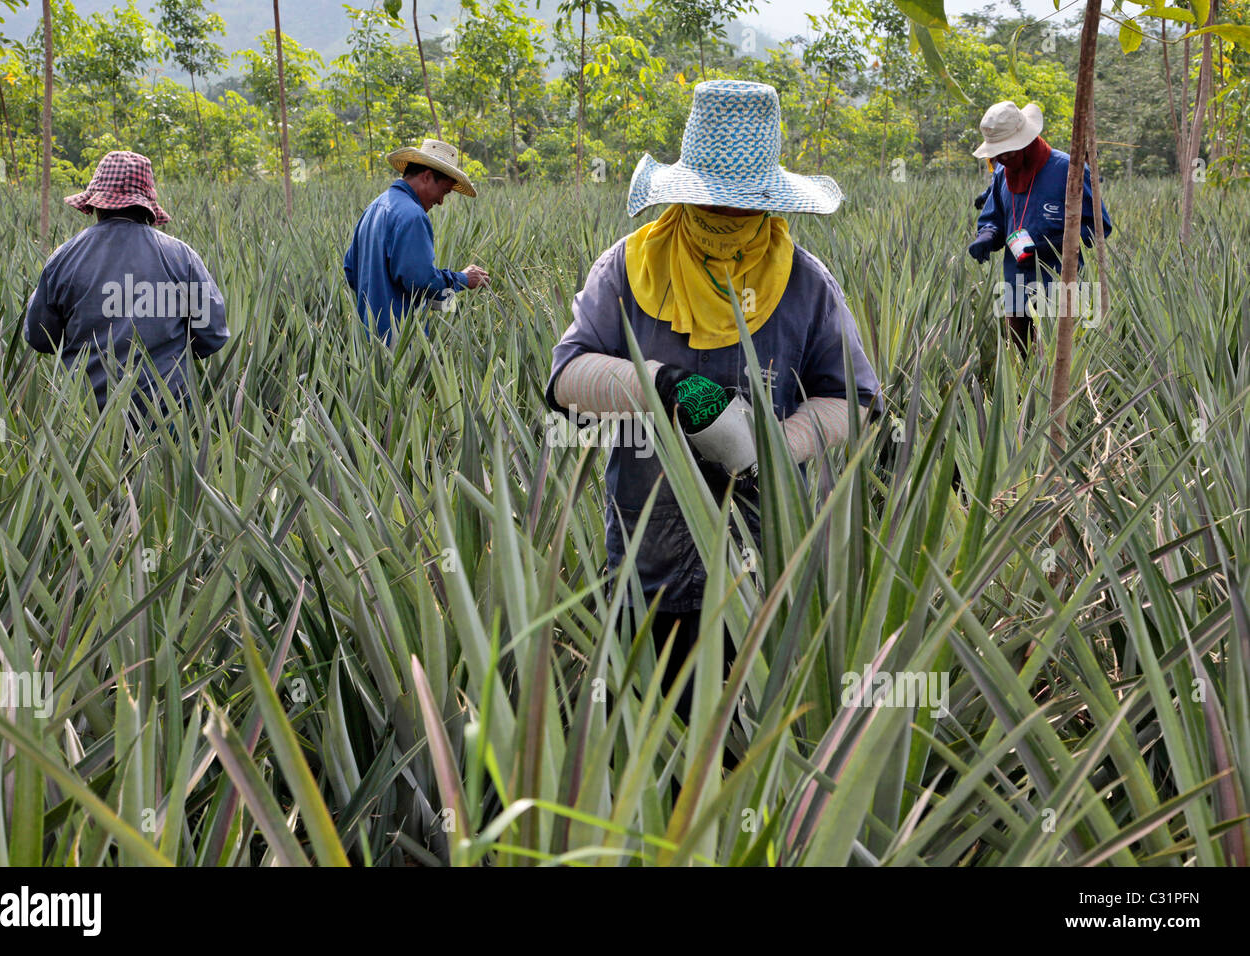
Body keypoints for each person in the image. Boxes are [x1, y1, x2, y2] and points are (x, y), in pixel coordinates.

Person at [544, 80, 883, 753]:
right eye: (710, 198)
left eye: (742, 201)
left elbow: (856, 400)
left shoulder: (805, 283)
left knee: (755, 744)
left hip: (770, 562)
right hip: (650, 559)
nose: (724, 212)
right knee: (655, 744)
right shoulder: (628, 270)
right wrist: (662, 385)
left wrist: (782, 442)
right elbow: (565, 379)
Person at [24, 150, 229, 417]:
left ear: (97, 205)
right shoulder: (181, 257)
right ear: (146, 207)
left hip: (87, 414)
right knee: (173, 457)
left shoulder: (64, 257)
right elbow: (212, 336)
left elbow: (41, 338)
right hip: (167, 412)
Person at [967, 101, 1112, 357]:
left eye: (1008, 152)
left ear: (1025, 142)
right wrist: (987, 235)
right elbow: (994, 217)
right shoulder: (1002, 173)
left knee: (1055, 363)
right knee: (1019, 363)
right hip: (1014, 286)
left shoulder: (1068, 170)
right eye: (998, 153)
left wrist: (1051, 243)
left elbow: (1098, 228)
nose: (1002, 158)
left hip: (1059, 286)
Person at [343, 139, 490, 344]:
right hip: (399, 343)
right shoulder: (412, 215)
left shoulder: (375, 207)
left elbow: (350, 270)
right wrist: (462, 280)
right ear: (427, 177)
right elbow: (421, 282)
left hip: (366, 341)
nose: (440, 202)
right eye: (444, 192)